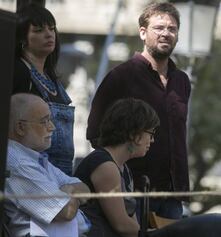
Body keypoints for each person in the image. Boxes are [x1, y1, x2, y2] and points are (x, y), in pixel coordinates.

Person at [86, 2, 190, 220]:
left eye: (172, 29)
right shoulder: (120, 77)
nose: (166, 34)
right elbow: (95, 134)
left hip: (173, 194)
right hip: (133, 193)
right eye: (159, 28)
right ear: (143, 32)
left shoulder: (182, 81)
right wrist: (120, 175)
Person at [76, 98, 221, 237]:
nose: (151, 140)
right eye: (150, 133)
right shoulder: (105, 166)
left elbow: (131, 224)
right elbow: (122, 225)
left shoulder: (123, 168)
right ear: (134, 134)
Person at [5, 93, 90, 237]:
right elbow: (66, 211)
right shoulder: (18, 163)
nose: (52, 127)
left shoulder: (32, 156)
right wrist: (69, 190)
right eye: (44, 121)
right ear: (20, 127)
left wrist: (66, 192)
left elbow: (86, 191)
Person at [13, 4, 75, 176]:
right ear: (22, 38)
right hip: (32, 169)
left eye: (52, 29)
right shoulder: (18, 72)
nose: (49, 34)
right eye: (38, 30)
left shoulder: (52, 77)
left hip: (61, 171)